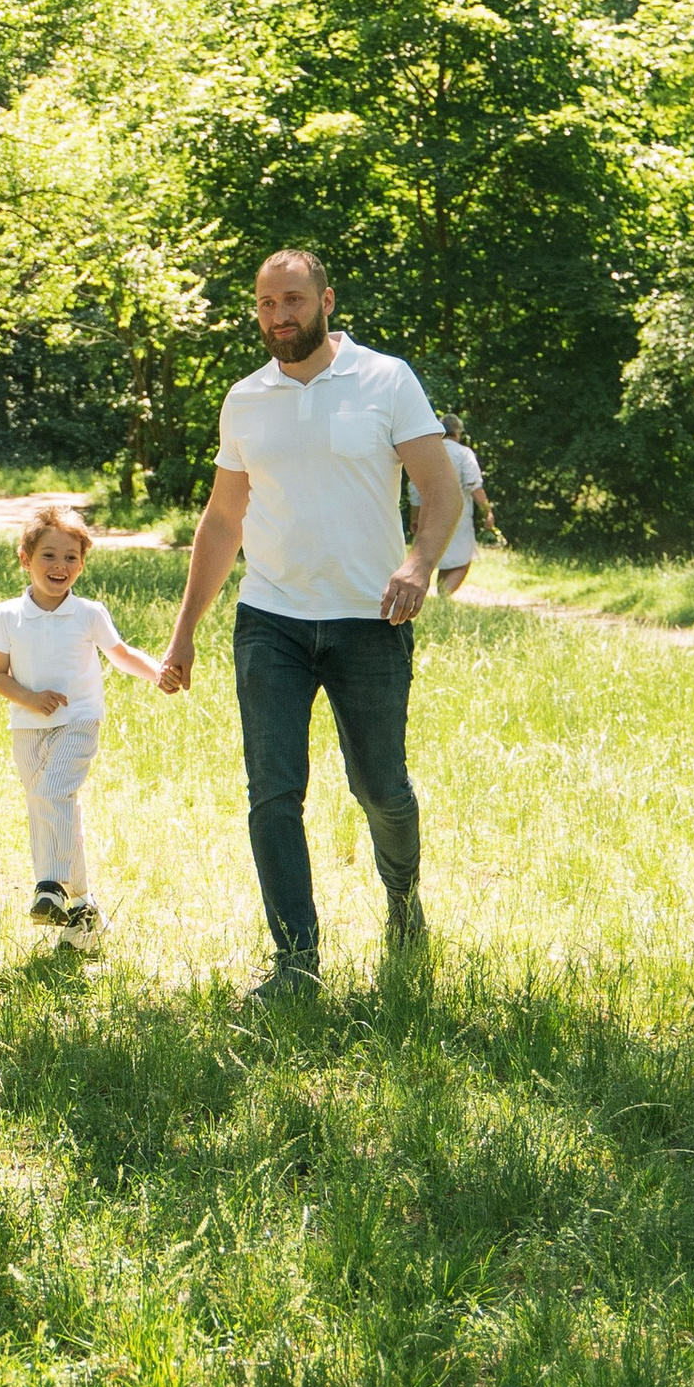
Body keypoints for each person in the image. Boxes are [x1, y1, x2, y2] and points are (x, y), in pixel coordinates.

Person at [157, 249, 460, 999]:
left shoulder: (386, 379)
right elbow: (223, 518)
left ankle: (402, 897)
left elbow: (440, 488)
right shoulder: (246, 398)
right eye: (265, 304)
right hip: (272, 620)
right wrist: (185, 627)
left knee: (381, 786)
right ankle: (296, 962)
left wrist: (419, 565)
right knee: (272, 791)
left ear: (326, 300)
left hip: (370, 619)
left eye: (292, 300)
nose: (278, 316)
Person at [0, 502, 162, 943]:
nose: (60, 566)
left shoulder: (89, 613)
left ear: (82, 563)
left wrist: (158, 673)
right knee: (47, 808)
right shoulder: (6, 615)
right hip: (27, 726)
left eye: (71, 557)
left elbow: (120, 655)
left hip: (78, 720)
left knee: (53, 792)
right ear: (25, 559)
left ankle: (51, 886)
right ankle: (83, 907)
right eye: (49, 555)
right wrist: (31, 698)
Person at [433, 411, 495, 598]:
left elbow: (415, 488)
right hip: (457, 513)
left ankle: (441, 599)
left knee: (444, 559)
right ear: (458, 433)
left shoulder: (432, 452)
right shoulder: (463, 453)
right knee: (463, 560)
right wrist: (487, 512)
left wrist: (415, 516)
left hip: (431, 513)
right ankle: (444, 597)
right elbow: (475, 485)